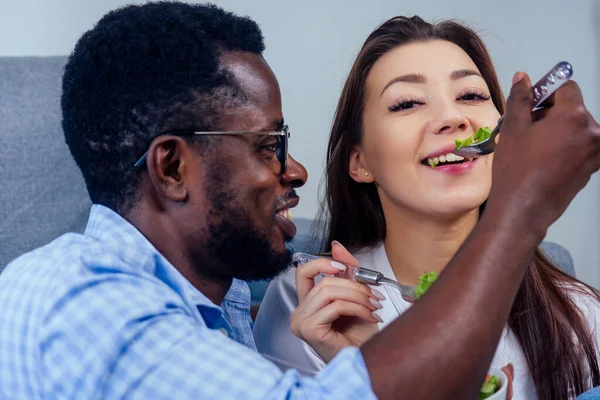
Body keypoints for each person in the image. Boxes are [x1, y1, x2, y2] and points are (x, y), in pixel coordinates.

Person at [0, 3, 598, 399]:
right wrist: (525, 205)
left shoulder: (225, 300)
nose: (296, 170)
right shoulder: (85, 305)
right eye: (269, 146)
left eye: (470, 95)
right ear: (173, 167)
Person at [253, 16, 600, 400]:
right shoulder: (311, 306)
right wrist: (358, 364)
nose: (453, 118)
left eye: (470, 96)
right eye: (407, 103)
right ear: (360, 161)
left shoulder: (581, 315)